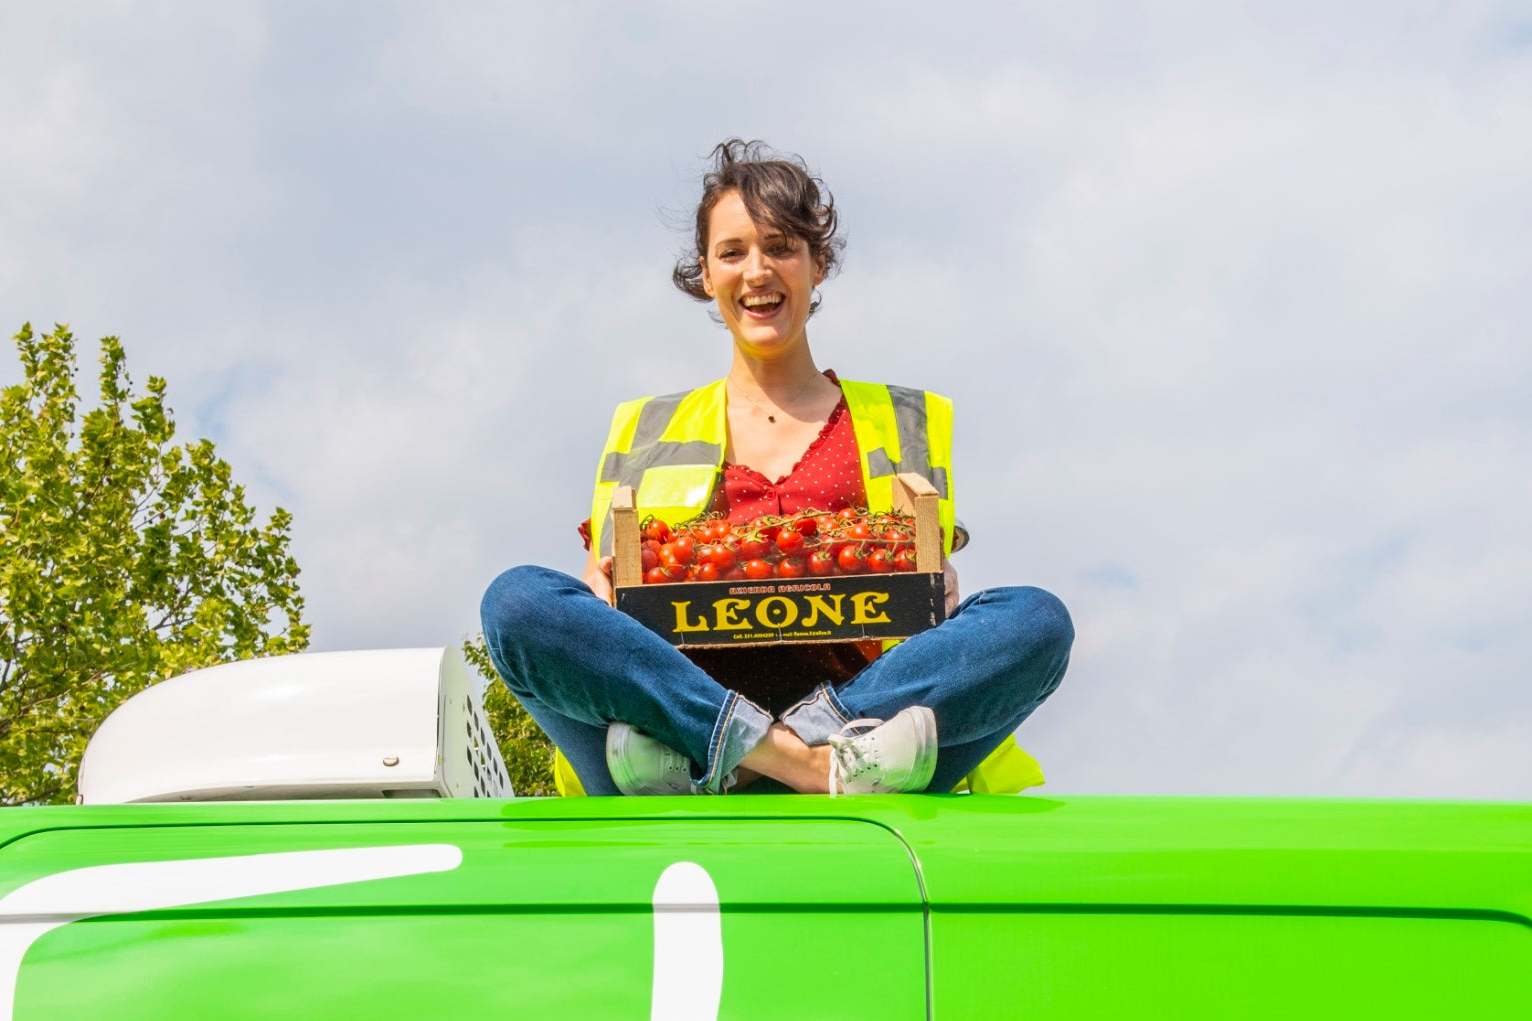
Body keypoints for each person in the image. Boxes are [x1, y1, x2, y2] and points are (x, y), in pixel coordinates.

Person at [481, 139, 1072, 796]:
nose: (757, 271)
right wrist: (601, 594)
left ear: (818, 264)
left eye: (781, 247)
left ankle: (772, 755)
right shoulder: (647, 425)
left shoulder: (900, 418)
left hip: (863, 735)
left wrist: (938, 590)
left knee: (1035, 620)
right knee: (518, 603)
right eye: (733, 252)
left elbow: (929, 596)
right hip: (667, 745)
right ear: (706, 273)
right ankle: (787, 762)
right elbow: (600, 589)